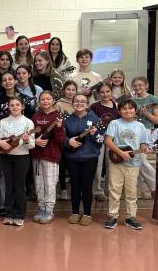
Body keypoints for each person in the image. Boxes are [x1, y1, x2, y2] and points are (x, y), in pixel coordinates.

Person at [103, 98, 149, 230]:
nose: (127, 111)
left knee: (131, 191)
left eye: (130, 108)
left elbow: (143, 144)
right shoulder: (114, 123)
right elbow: (108, 141)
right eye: (124, 108)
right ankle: (112, 216)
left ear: (135, 110)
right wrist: (121, 153)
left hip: (133, 163)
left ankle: (131, 217)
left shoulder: (140, 126)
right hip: (116, 161)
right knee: (114, 190)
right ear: (119, 111)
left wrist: (146, 149)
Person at [0, 97, 35, 226]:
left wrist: (27, 140)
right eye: (12, 105)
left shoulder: (28, 123)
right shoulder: (2, 122)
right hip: (6, 157)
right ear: (8, 107)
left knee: (19, 186)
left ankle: (19, 214)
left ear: (22, 107)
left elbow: (32, 144)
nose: (15, 107)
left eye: (18, 105)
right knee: (8, 185)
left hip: (22, 157)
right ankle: (9, 213)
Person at [63, 94, 102, 226]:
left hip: (89, 158)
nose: (79, 103)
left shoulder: (95, 119)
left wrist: (95, 134)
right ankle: (74, 212)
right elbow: (61, 137)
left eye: (83, 101)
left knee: (86, 186)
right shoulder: (67, 119)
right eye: (77, 101)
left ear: (87, 104)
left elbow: (102, 140)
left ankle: (87, 213)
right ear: (72, 103)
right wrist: (69, 141)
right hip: (72, 158)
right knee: (74, 186)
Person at [30, 91, 66, 224]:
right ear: (39, 101)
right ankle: (41, 208)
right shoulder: (35, 116)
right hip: (37, 155)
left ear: (53, 101)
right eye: (43, 99)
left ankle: (49, 210)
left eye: (48, 99)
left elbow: (61, 139)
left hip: (51, 155)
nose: (45, 101)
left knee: (50, 184)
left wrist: (59, 127)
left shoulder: (57, 117)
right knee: (39, 184)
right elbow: (30, 135)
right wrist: (36, 141)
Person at [131, 76, 158, 197]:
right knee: (134, 159)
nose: (137, 87)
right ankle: (137, 190)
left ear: (146, 85)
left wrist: (146, 113)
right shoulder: (131, 100)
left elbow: (157, 120)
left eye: (140, 85)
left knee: (142, 160)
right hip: (132, 131)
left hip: (146, 130)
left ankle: (155, 186)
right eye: (135, 85)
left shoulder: (153, 99)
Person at [89, 83, 119, 202]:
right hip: (99, 139)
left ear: (111, 92)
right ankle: (97, 191)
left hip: (112, 139)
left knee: (111, 164)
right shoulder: (94, 106)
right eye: (102, 92)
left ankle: (109, 190)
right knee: (98, 164)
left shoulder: (116, 105)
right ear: (98, 93)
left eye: (107, 91)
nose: (105, 94)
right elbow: (91, 122)